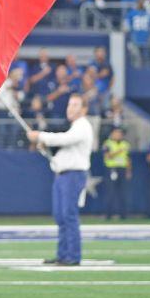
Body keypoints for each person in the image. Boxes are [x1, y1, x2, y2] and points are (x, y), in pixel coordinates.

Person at [28, 93, 95, 265]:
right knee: (60, 216)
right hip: (62, 176)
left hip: (72, 176)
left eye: (75, 105)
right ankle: (63, 254)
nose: (70, 108)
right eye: (69, 105)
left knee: (68, 215)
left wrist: (40, 136)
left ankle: (73, 256)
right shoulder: (75, 126)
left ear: (84, 109)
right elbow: (63, 153)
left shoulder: (82, 126)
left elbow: (65, 139)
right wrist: (44, 147)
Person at [102, 126, 131, 221]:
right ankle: (108, 215)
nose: (118, 135)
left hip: (122, 169)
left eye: (120, 133)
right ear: (112, 134)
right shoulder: (107, 144)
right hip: (112, 169)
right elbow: (107, 156)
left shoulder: (125, 144)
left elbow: (128, 159)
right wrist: (118, 151)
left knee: (123, 193)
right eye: (116, 133)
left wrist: (128, 171)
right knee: (110, 193)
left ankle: (124, 215)